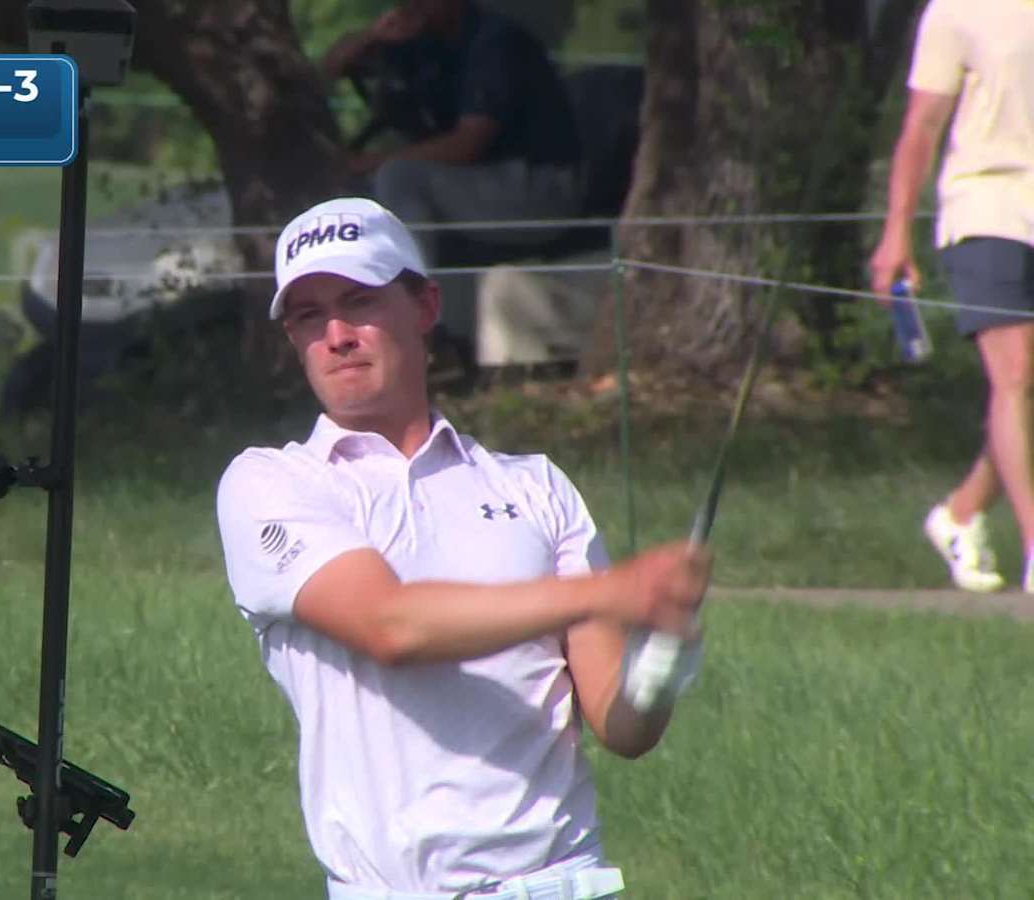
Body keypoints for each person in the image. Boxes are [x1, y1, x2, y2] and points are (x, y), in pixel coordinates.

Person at [214, 197, 712, 899]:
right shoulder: (269, 483)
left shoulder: (538, 486)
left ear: (425, 307)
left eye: (359, 301)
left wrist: (663, 658)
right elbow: (391, 627)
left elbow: (621, 726)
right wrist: (611, 590)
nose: (336, 334)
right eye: (307, 315)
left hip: (559, 881)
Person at [869, 0, 1034, 593]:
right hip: (986, 203)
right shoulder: (957, 11)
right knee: (1013, 374)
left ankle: (961, 512)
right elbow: (922, 128)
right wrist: (897, 233)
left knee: (1026, 389)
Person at [320, 0, 584, 257]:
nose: (414, 5)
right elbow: (332, 66)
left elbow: (467, 145)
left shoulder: (495, 42)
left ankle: (410, 290)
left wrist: (367, 163)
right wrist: (372, 35)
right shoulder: (420, 42)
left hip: (538, 187)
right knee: (355, 193)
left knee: (398, 178)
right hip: (475, 180)